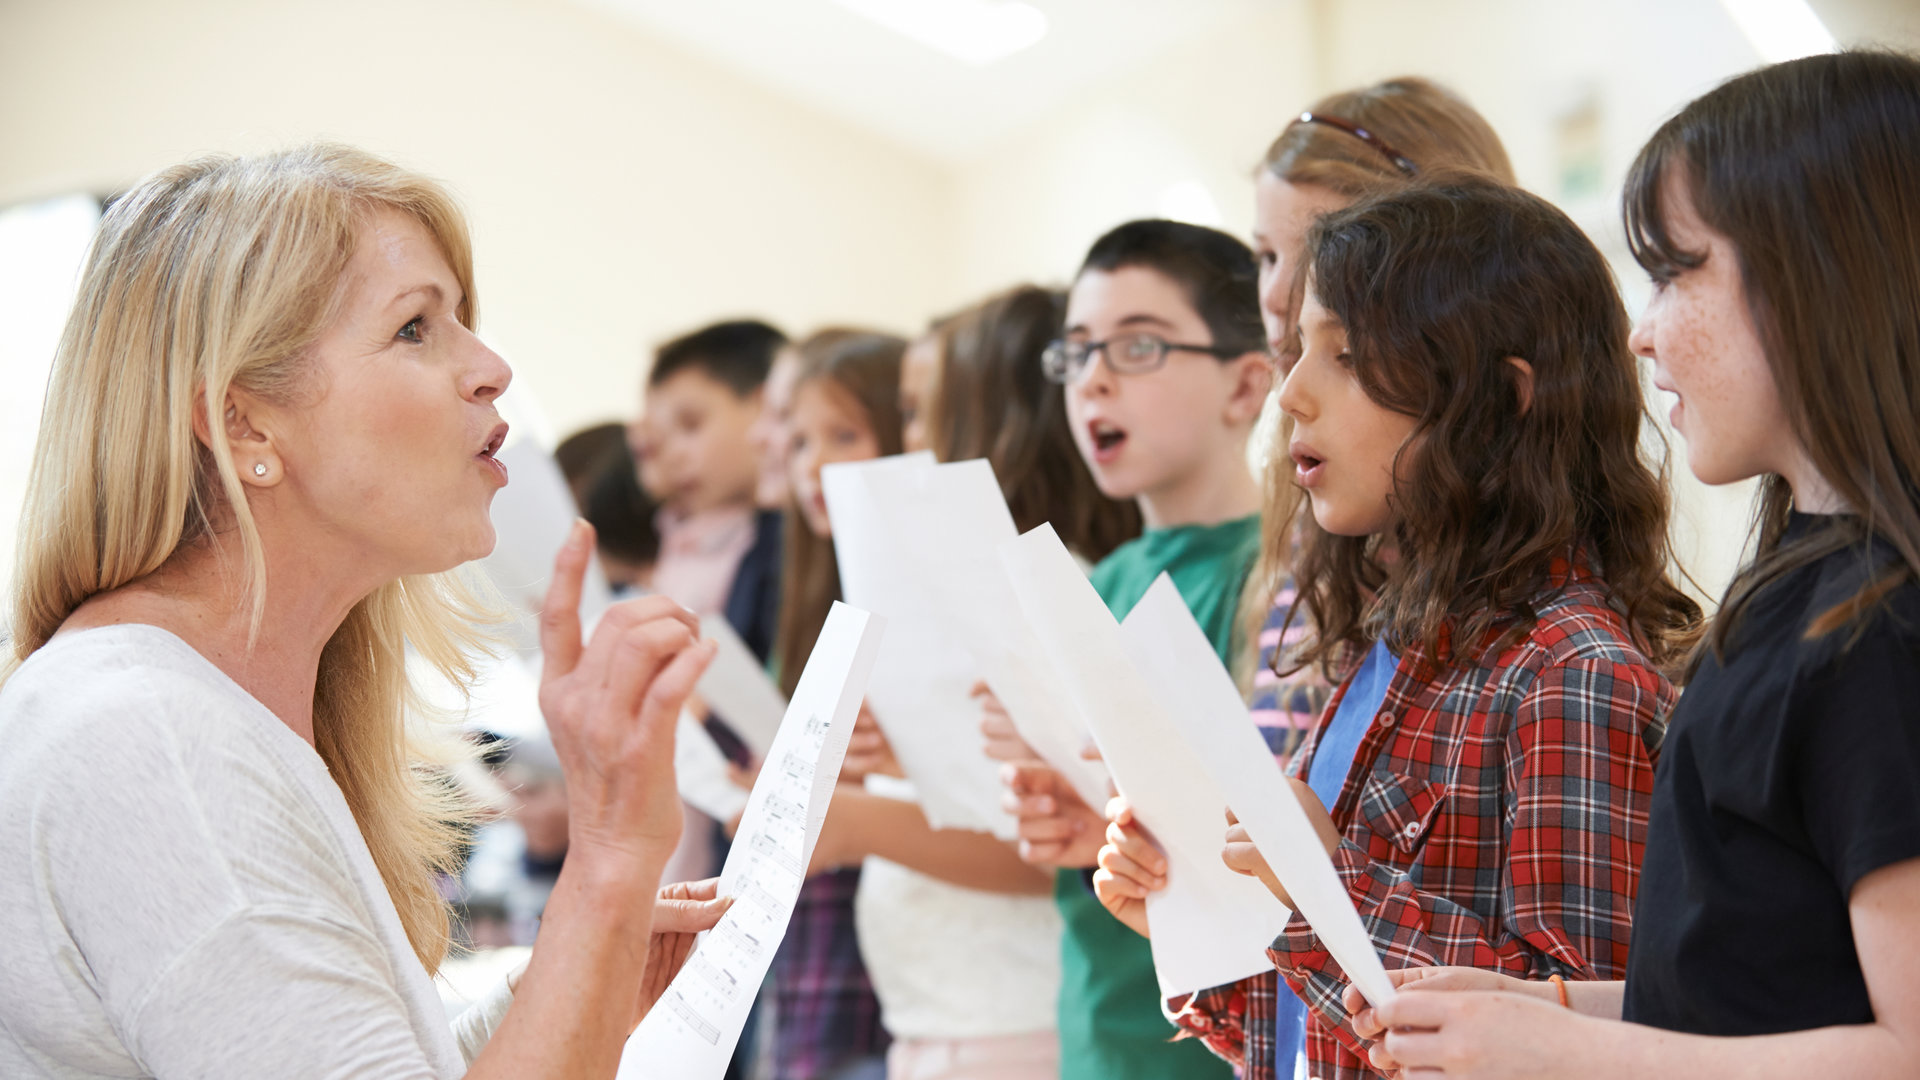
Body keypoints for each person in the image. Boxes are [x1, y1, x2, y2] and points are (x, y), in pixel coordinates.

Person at [0, 143, 727, 1078]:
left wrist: (578, 980)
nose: (492, 367)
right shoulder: (159, 744)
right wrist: (609, 870)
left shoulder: (188, 712)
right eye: (415, 327)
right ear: (244, 424)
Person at [1343, 50, 1920, 1080]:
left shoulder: (1883, 628)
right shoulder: (1794, 588)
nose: (1643, 337)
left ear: (1816, 275)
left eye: (1674, 272)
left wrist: (1574, 1052)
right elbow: (1750, 989)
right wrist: (1550, 1007)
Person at [807, 284, 1143, 1080]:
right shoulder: (955, 593)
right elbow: (974, 783)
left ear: (996, 422)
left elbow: (1051, 845)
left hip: (1020, 1020)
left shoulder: (1050, 592)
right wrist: (897, 758)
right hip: (935, 1023)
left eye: (925, 414)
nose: (908, 441)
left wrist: (856, 824)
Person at [995, 220, 1273, 1080]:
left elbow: (1275, 845)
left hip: (1217, 1048)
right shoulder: (1100, 581)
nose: (1094, 380)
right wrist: (1067, 813)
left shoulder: (1280, 576)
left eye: (1139, 346)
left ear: (1247, 384)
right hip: (1098, 1036)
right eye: (1078, 352)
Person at [767, 330, 909, 1080]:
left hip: (898, 988)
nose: (813, 464)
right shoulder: (825, 603)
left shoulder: (922, 605)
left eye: (844, 435)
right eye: (799, 442)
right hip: (825, 963)